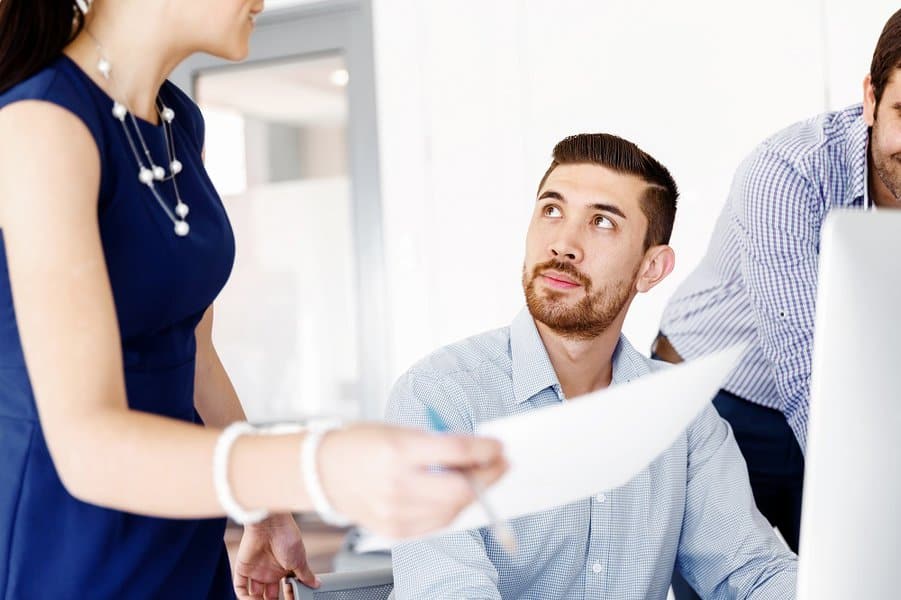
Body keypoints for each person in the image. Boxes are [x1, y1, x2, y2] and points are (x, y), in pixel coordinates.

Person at [0, 2, 507, 599]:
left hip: (182, 520)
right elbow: (87, 447)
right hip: (70, 538)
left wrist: (261, 506)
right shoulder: (39, 123)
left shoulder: (176, 120)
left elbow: (196, 352)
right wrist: (323, 465)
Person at [385, 133, 798, 599]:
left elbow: (751, 571)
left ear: (652, 269)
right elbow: (449, 591)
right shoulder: (439, 397)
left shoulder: (684, 419)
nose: (563, 244)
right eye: (552, 210)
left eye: (601, 221)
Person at [655, 11, 901, 594]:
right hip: (719, 398)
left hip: (852, 406)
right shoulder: (789, 172)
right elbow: (805, 365)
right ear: (870, 100)